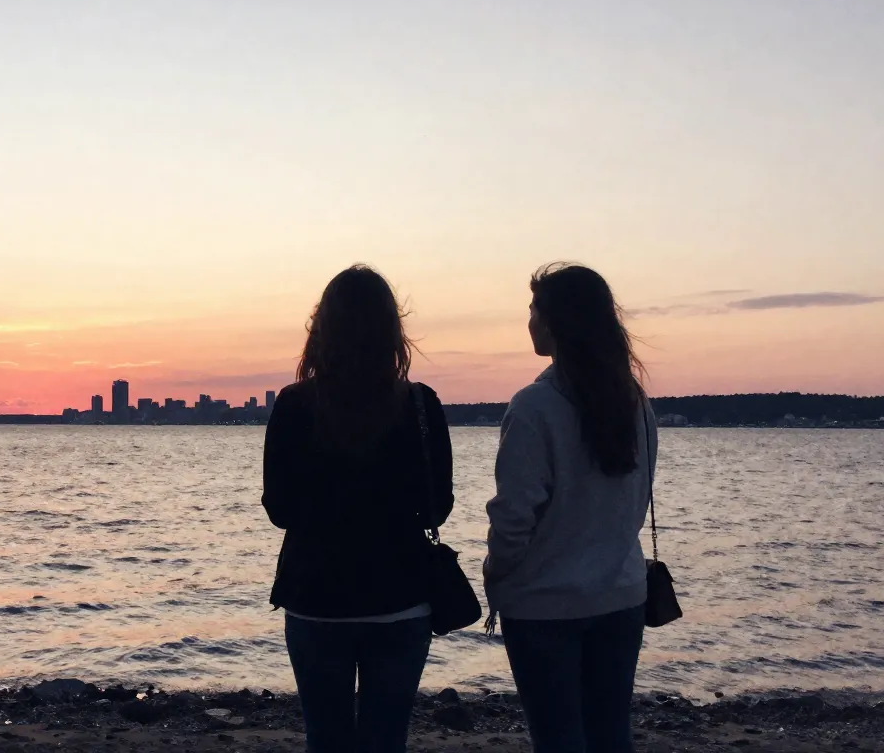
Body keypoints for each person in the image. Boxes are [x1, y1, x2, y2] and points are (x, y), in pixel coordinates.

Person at [263, 264, 453, 753]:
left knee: (325, 738)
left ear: (322, 329)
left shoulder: (294, 405)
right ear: (393, 331)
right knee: (386, 739)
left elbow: (279, 509)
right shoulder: (420, 405)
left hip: (316, 598)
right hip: (401, 598)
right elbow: (438, 508)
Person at [483, 262, 656, 753]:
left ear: (557, 321)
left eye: (534, 309)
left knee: (557, 738)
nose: (529, 321)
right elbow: (635, 500)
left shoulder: (534, 406)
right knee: (610, 735)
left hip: (545, 606)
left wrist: (496, 571)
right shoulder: (634, 403)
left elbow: (513, 517)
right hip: (621, 596)